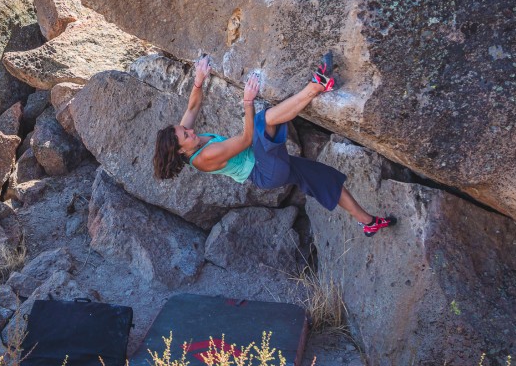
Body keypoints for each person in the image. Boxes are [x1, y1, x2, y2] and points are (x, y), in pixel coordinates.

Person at [153, 54, 396, 237]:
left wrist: (198, 81)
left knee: (323, 178)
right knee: (262, 120)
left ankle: (367, 222)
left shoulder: (184, 142)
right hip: (263, 171)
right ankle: (317, 86)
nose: (190, 130)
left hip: (264, 161)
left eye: (185, 129)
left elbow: (192, 107)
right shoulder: (204, 158)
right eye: (186, 135)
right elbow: (247, 139)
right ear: (182, 150)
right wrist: (248, 102)